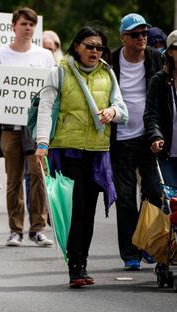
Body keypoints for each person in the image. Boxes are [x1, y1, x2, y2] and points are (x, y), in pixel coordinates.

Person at [36, 26, 128, 288]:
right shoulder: (59, 72)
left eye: (99, 47)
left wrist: (112, 111)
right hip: (67, 151)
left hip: (98, 153)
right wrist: (42, 143)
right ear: (77, 46)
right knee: (74, 209)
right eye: (90, 46)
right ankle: (74, 267)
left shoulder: (107, 73)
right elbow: (45, 109)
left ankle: (82, 263)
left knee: (88, 212)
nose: (95, 52)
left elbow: (122, 109)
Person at [0, 7, 55, 247]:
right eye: (24, 24)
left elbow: (52, 91)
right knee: (13, 179)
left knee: (38, 176)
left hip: (36, 130)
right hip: (9, 128)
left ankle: (38, 229)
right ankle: (15, 230)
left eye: (32, 25)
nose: (28, 28)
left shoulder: (44, 56)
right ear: (13, 26)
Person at [110, 13, 163, 271]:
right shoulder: (110, 60)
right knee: (126, 198)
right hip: (119, 139)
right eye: (135, 34)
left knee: (153, 191)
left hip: (148, 137)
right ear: (123, 37)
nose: (142, 38)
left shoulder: (155, 58)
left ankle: (150, 245)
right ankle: (130, 253)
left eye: (144, 33)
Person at [145, 30, 177, 190]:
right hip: (168, 155)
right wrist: (155, 137)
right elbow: (151, 115)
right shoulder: (159, 80)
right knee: (172, 205)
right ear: (170, 52)